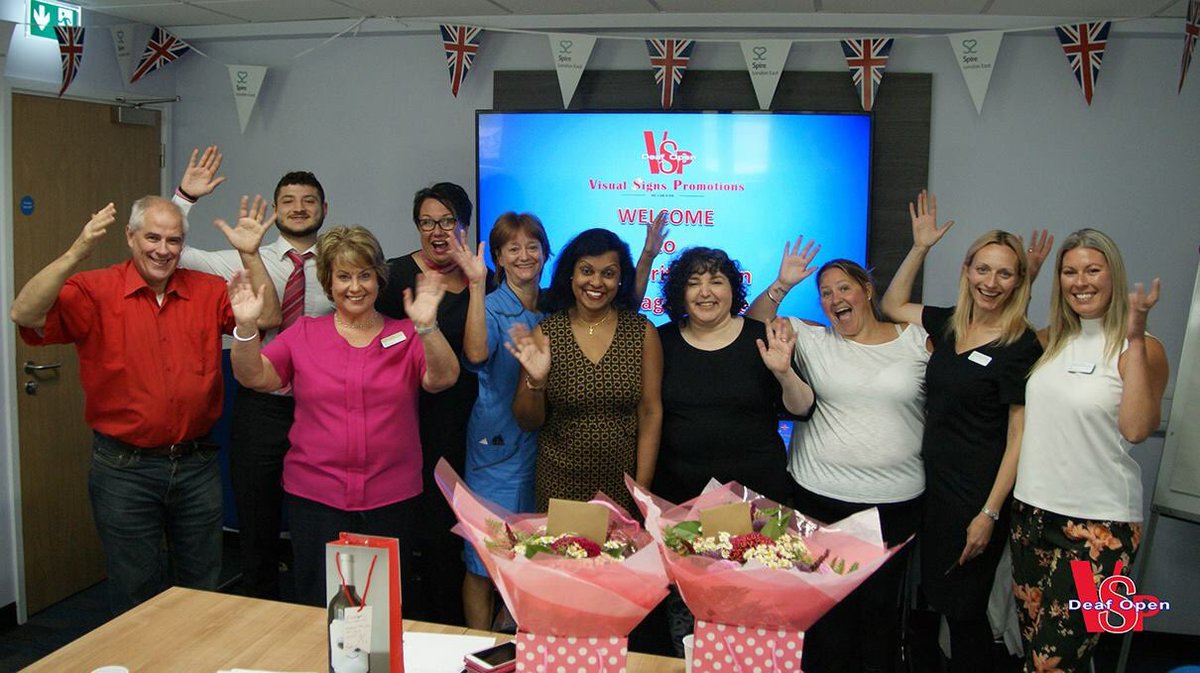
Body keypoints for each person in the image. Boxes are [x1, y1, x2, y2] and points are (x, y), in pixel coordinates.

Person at [10, 196, 279, 614]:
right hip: (124, 470)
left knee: (202, 587)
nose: (163, 249)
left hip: (196, 465)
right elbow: (23, 312)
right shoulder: (94, 290)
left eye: (174, 240)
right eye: (152, 237)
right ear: (130, 237)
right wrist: (77, 250)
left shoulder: (207, 290)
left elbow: (267, 318)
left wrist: (249, 254)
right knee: (136, 590)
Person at [229, 225, 460, 607]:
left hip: (391, 499)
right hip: (316, 499)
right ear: (328, 282)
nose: (355, 287)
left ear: (378, 280)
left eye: (365, 275)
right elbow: (254, 376)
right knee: (322, 605)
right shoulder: (303, 332)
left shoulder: (404, 336)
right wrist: (246, 327)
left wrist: (427, 327)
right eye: (344, 276)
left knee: (382, 608)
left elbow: (443, 378)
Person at [881, 191, 1049, 672]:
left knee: (965, 610)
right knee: (942, 601)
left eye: (1004, 273)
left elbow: (1019, 437)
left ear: (1019, 281)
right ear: (967, 270)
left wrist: (990, 513)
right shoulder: (951, 324)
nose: (990, 282)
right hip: (934, 489)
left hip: (977, 495)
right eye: (983, 269)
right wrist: (920, 248)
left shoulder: (1020, 346)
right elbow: (893, 304)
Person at [748, 245, 929, 673]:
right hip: (819, 498)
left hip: (894, 504)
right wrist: (783, 284)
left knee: (880, 618)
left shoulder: (917, 340)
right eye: (825, 293)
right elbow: (750, 325)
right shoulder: (812, 339)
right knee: (826, 618)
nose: (834, 300)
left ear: (866, 290)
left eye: (844, 288)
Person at [173, 145, 334, 599]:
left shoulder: (343, 262)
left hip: (324, 408)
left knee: (318, 523)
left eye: (309, 201)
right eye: (288, 201)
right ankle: (258, 616)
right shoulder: (240, 257)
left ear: (325, 209)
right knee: (257, 521)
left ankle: (315, 612)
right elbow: (173, 251)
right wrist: (186, 197)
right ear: (275, 209)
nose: (299, 209)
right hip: (262, 408)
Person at [1011, 228, 1168, 673]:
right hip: (1031, 518)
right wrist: (1028, 277)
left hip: (1099, 531)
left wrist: (1135, 338)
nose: (1081, 281)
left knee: (1049, 664)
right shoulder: (1050, 341)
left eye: (1092, 270)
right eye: (1069, 271)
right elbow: (998, 337)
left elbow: (1137, 428)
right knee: (1040, 651)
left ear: (1113, 276)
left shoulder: (1141, 347)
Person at [654, 246, 814, 652]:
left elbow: (802, 407)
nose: (705, 292)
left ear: (733, 290)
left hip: (758, 504)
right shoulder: (661, 340)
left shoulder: (762, 338)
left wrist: (783, 374)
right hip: (682, 504)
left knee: (757, 616)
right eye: (693, 283)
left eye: (716, 281)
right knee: (687, 618)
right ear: (679, 294)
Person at [509, 227, 663, 517]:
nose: (596, 282)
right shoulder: (546, 333)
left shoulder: (642, 332)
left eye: (608, 273)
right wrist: (536, 382)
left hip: (623, 487)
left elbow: (650, 412)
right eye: (587, 271)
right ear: (571, 275)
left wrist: (642, 488)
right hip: (559, 486)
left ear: (620, 279)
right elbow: (528, 421)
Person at [446, 212, 549, 630]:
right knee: (484, 561)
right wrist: (475, 284)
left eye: (532, 247)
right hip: (497, 452)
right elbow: (474, 354)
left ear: (545, 252)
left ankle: (515, 644)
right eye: (513, 249)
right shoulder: (491, 306)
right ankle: (476, 649)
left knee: (529, 558)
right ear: (500, 259)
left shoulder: (554, 305)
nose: (524, 256)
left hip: (545, 449)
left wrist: (649, 255)